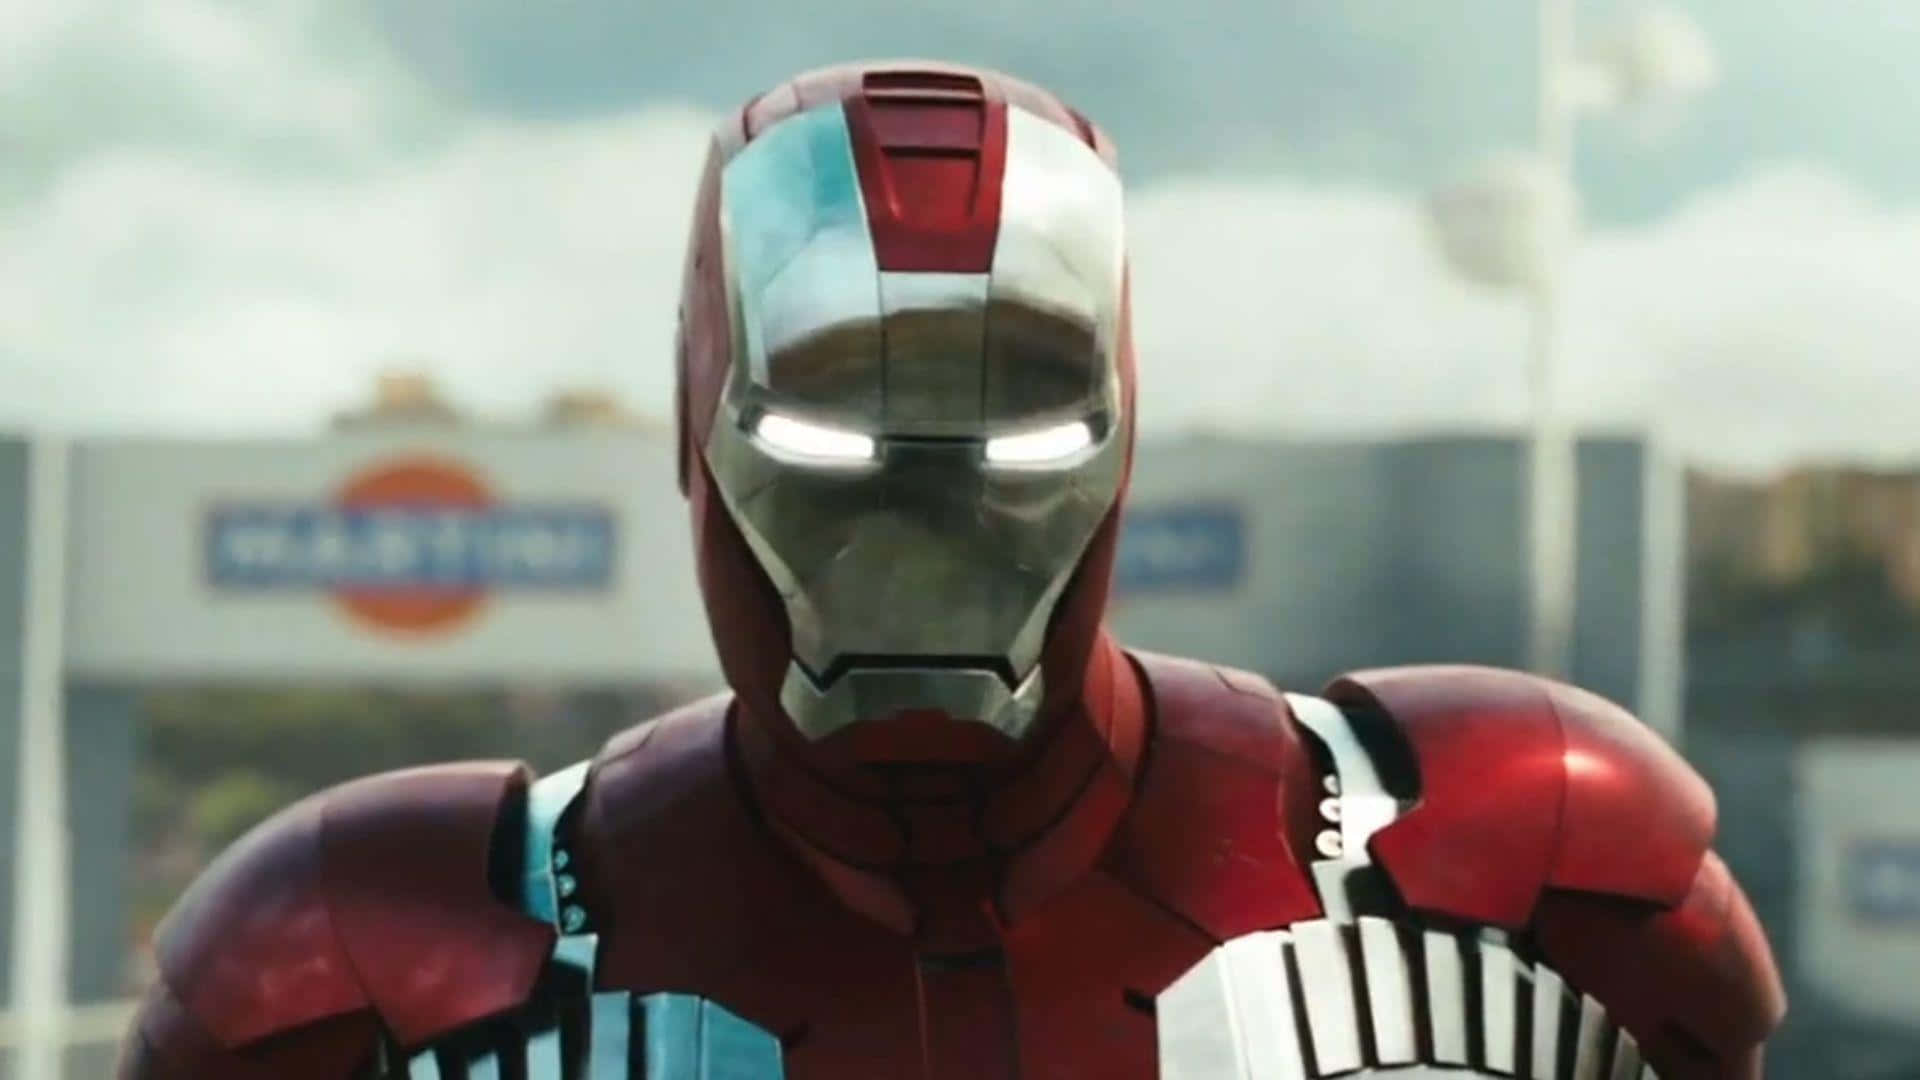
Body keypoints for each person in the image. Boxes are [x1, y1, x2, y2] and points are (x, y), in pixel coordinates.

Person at [117, 60, 1784, 1079]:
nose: (926, 520)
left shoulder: (1502, 860)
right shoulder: (379, 946)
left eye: (1006, 428)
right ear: (707, 414)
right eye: (842, 428)